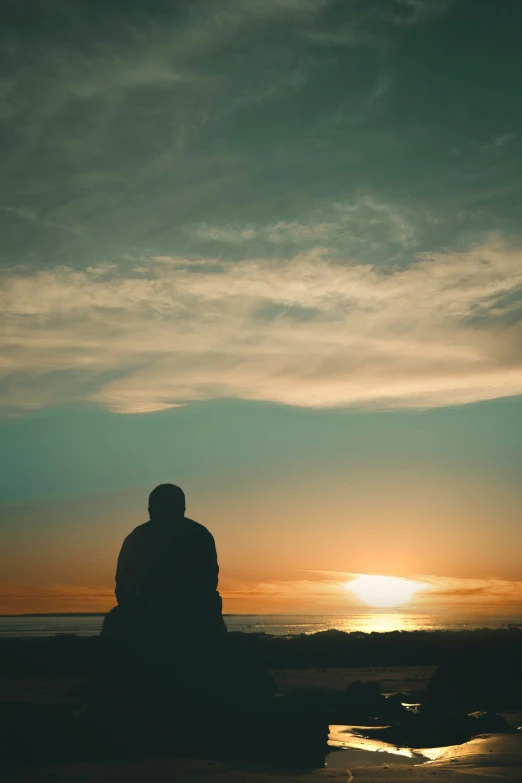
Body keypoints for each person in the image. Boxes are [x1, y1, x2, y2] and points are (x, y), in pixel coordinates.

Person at [113, 483, 226, 639]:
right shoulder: (200, 534)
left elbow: (124, 583)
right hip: (161, 609)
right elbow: (210, 579)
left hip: (185, 610)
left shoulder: (138, 536)